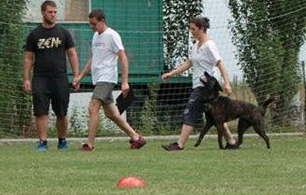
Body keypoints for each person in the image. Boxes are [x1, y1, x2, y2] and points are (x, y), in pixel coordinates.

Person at [72, 9, 147, 151]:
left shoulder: (112, 36)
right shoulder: (95, 36)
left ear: (102, 21)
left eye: (94, 24)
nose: (92, 27)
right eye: (90, 24)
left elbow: (123, 58)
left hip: (107, 78)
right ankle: (137, 138)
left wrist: (125, 82)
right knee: (111, 114)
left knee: (93, 106)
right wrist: (80, 76)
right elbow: (93, 58)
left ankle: (89, 145)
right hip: (98, 78)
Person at [160, 15, 235, 151]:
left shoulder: (209, 46)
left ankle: (179, 144)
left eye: (193, 29)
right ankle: (231, 141)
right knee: (214, 115)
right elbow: (190, 62)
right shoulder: (196, 46)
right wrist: (172, 73)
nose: (191, 31)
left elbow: (221, 64)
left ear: (202, 29)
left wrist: (227, 84)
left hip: (206, 86)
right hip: (198, 85)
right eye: (190, 29)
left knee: (190, 110)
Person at [23, 0, 81, 151]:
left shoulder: (63, 33)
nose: (53, 15)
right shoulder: (34, 35)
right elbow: (28, 58)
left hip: (60, 78)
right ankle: (42, 142)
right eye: (50, 12)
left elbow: (72, 54)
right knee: (41, 112)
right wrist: (26, 79)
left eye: (55, 12)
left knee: (61, 112)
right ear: (43, 13)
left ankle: (62, 141)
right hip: (40, 78)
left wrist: (76, 75)